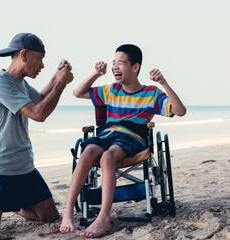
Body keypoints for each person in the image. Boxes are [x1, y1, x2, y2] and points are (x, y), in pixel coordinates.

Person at [0, 33, 74, 238]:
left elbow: (41, 100)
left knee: (50, 218)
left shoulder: (21, 84)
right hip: (3, 167)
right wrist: (61, 84)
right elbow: (39, 114)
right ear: (24, 55)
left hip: (25, 166)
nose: (42, 65)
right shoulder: (0, 84)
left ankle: (10, 203)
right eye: (40, 58)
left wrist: (56, 77)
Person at [60, 44, 186, 237]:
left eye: (120, 63)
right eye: (113, 63)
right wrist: (96, 74)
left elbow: (179, 111)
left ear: (135, 67)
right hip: (107, 134)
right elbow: (77, 92)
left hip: (132, 137)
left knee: (107, 157)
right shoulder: (111, 90)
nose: (114, 67)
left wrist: (164, 83)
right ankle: (67, 212)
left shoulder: (151, 93)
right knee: (85, 154)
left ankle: (103, 218)